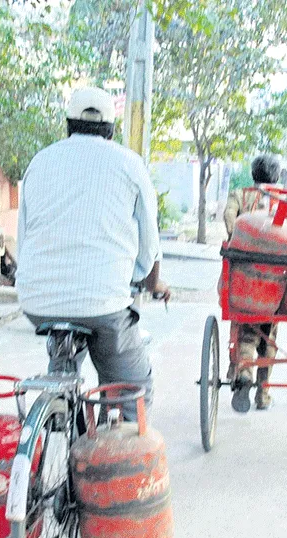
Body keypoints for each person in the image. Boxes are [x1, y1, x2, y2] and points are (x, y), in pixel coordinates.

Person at [15, 86, 170, 411]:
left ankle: (58, 407)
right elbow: (150, 244)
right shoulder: (129, 164)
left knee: (64, 363)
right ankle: (122, 423)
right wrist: (151, 282)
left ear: (68, 126)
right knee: (132, 391)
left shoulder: (39, 162)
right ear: (111, 131)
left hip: (37, 303)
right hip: (103, 305)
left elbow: (25, 236)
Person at [222, 154, 282, 412]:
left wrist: (238, 239)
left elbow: (228, 217)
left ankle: (244, 373)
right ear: (277, 176)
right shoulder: (286, 198)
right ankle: (262, 394)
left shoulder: (239, 194)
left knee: (245, 326)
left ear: (253, 173)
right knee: (270, 333)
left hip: (244, 274)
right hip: (277, 278)